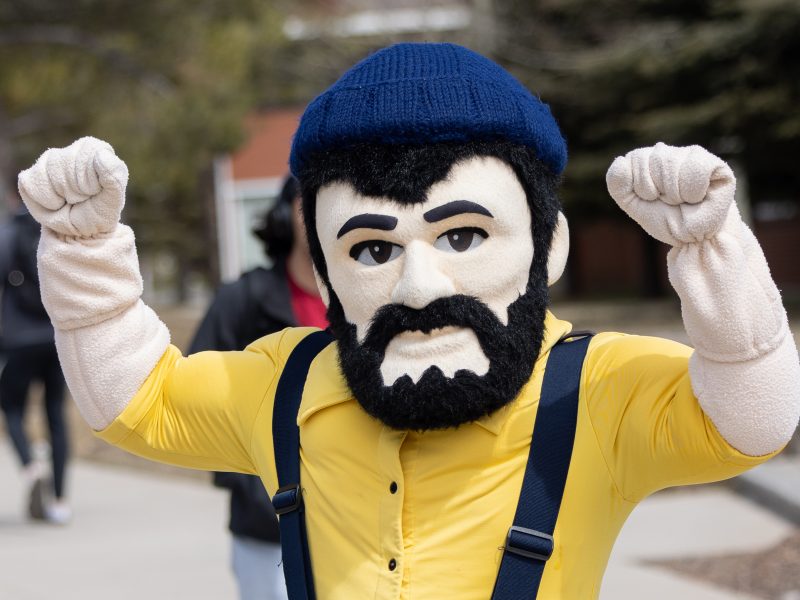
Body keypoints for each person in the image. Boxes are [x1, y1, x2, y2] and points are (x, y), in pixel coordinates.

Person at [16, 43, 800, 599]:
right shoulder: (286, 386)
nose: (420, 285)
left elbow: (751, 419)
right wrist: (88, 258)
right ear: (323, 268)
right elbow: (133, 402)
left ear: (547, 247)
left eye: (463, 236)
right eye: (371, 248)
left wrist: (714, 254)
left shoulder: (592, 388)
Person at [189, 175, 325, 600]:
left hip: (355, 526)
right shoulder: (243, 298)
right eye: (312, 200)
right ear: (286, 214)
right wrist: (252, 484)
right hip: (266, 531)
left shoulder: (371, 300)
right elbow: (197, 395)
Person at [0, 183, 70, 524]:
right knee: (55, 414)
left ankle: (31, 466)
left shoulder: (8, 234)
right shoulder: (54, 234)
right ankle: (59, 500)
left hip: (17, 340)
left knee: (12, 406)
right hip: (57, 338)